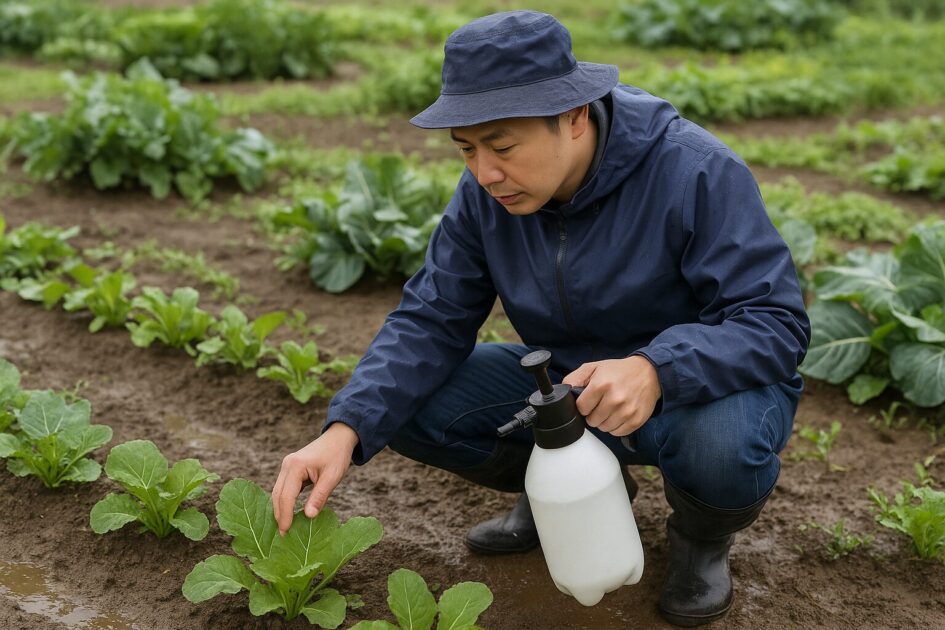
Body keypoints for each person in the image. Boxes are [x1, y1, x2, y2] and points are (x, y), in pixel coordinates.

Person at [272, 10, 810, 627]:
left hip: (695, 390)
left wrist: (655, 368)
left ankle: (700, 541)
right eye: (467, 150)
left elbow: (774, 321)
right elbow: (431, 317)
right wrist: (345, 428)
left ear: (575, 115)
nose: (484, 173)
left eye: (502, 146)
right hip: (571, 389)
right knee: (410, 404)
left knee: (724, 447)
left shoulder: (693, 170)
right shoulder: (485, 194)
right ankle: (567, 492)